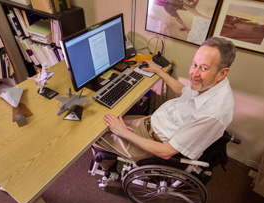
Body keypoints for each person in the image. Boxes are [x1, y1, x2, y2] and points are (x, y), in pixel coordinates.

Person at [92, 37, 236, 170]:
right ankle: (112, 151)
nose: (194, 74)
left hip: (152, 144)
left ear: (222, 73)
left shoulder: (212, 113)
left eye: (204, 68)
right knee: (102, 122)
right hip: (151, 123)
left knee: (95, 136)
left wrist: (123, 132)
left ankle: (108, 169)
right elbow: (184, 92)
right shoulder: (209, 85)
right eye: (194, 64)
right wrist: (159, 71)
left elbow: (166, 152)